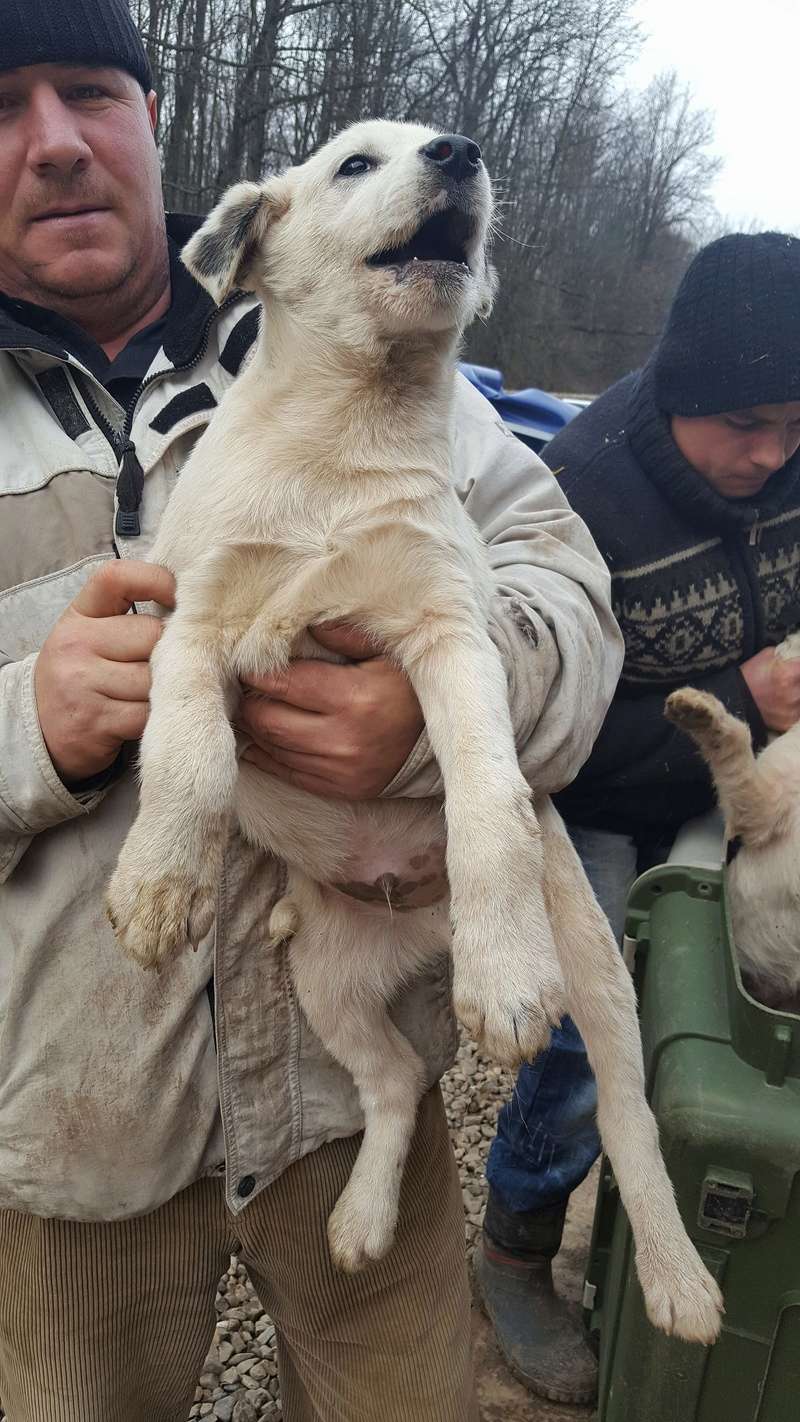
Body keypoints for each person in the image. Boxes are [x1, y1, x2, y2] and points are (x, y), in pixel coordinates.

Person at [0, 4, 623, 1419]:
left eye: (88, 90)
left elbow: (576, 603)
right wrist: (25, 728)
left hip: (344, 1107)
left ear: (153, 117)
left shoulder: (372, 324)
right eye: (0, 109)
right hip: (59, 1135)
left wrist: (443, 698)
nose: (49, 145)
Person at [474, 229, 800, 1405]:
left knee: (739, 1001)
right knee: (590, 1017)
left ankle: (691, 1201)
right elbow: (536, 741)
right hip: (600, 793)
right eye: (746, 426)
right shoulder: (579, 491)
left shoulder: (785, 454)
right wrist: (735, 698)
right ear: (678, 393)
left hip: (744, 777)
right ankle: (513, 1243)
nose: (771, 456)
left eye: (795, 425)